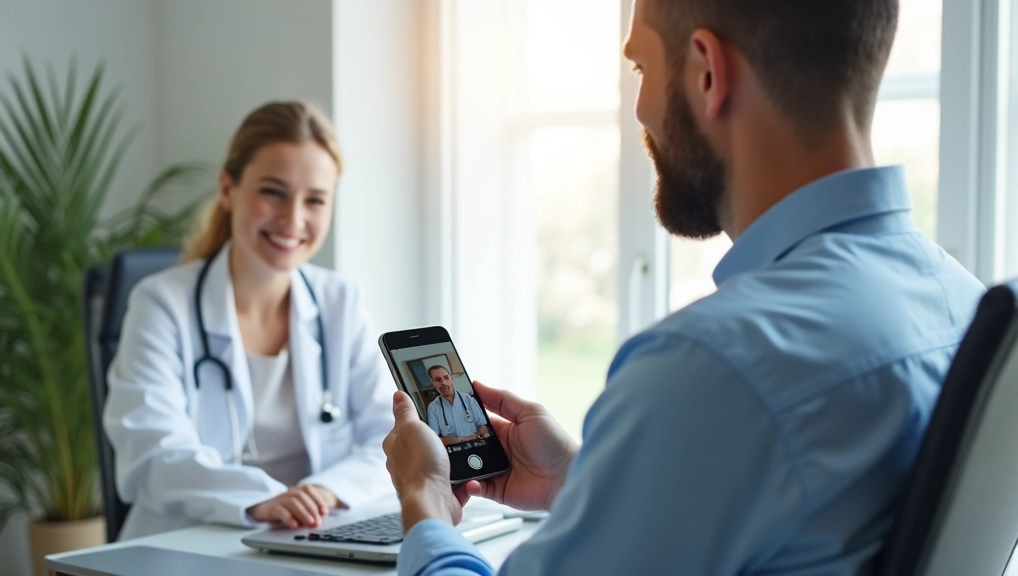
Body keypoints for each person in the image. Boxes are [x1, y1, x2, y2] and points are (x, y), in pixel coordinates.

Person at [382, 0, 986, 573]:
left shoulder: (715, 365)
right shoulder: (967, 307)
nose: (640, 107)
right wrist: (588, 482)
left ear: (707, 72)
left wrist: (428, 506)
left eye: (641, 67)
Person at [103, 101, 396, 540]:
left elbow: (390, 440)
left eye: (315, 200)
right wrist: (257, 498)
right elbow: (150, 451)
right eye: (273, 192)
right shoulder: (161, 304)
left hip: (312, 535)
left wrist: (323, 492)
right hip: (186, 542)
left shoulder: (341, 303)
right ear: (228, 190)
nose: (293, 219)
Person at [424, 365, 490, 445]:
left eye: (446, 378)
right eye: (438, 380)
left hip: (477, 444)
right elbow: (434, 439)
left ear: (451, 378)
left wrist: (484, 436)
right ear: (433, 383)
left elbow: (482, 425)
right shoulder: (433, 408)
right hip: (455, 450)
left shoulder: (468, 399)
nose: (443, 382)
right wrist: (464, 439)